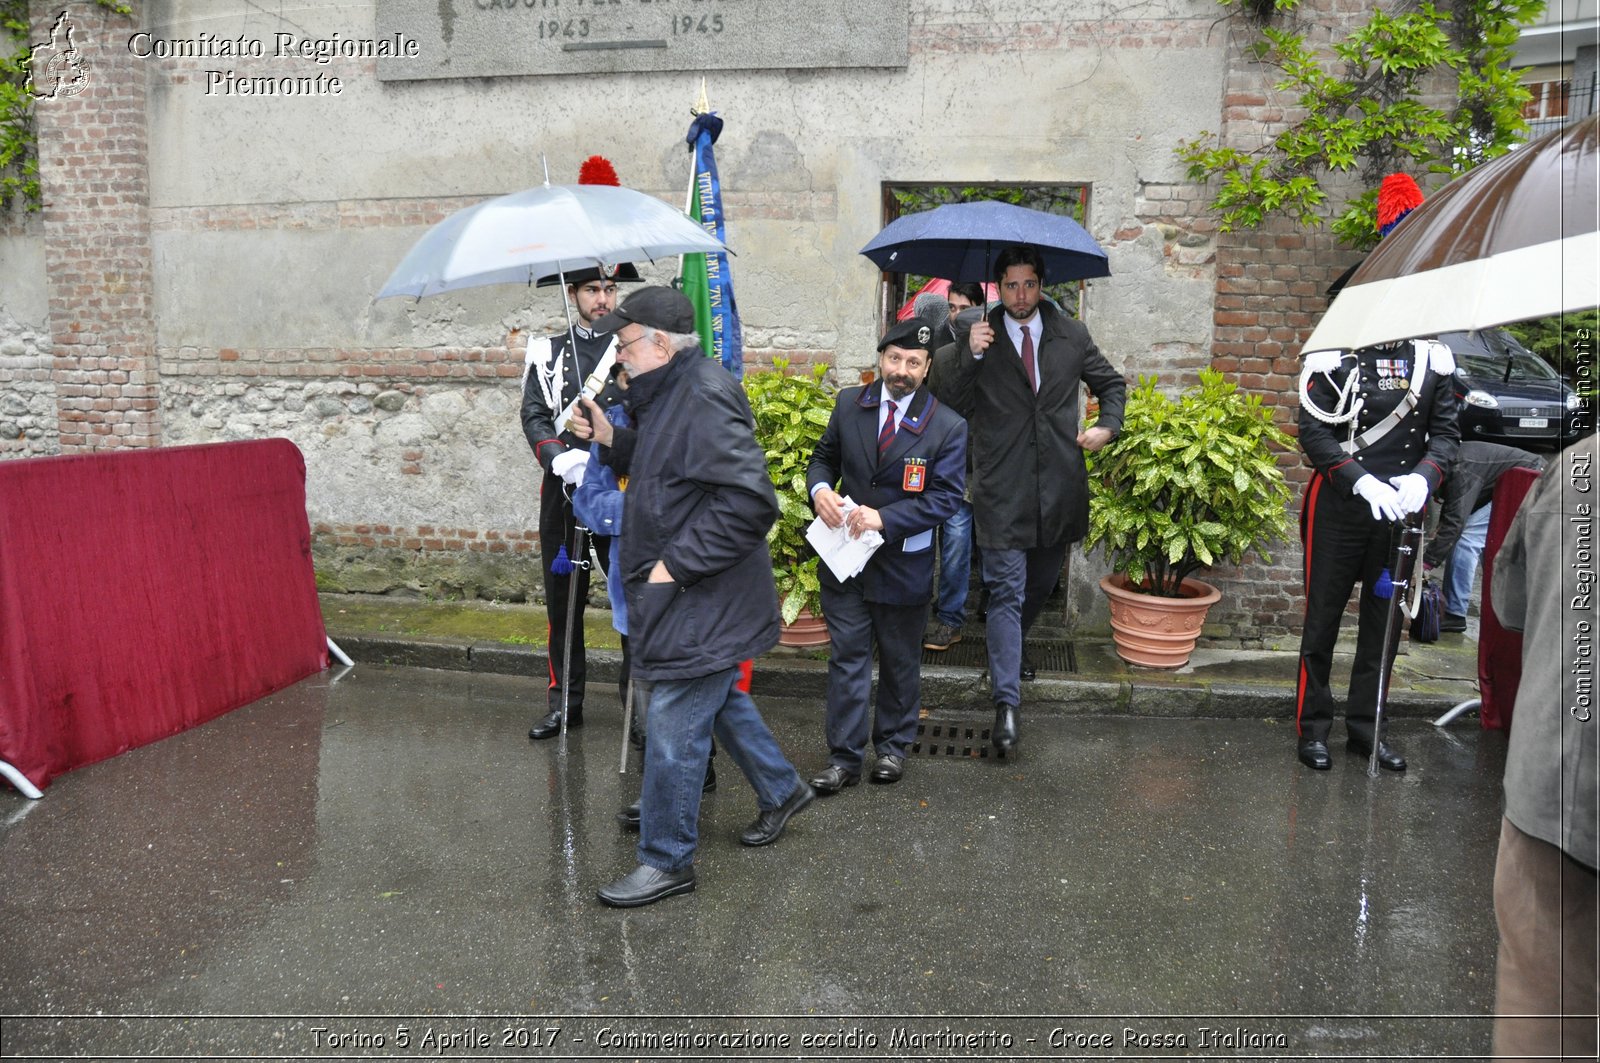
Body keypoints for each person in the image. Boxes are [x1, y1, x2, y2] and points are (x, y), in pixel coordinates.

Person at [572, 286, 813, 908]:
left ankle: (668, 858)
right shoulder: (669, 390)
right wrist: (611, 439)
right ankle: (781, 788)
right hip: (695, 593)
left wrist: (670, 570)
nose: (618, 356)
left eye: (625, 344)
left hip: (703, 594)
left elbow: (748, 503)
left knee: (675, 722)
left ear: (658, 342)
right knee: (716, 700)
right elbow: (670, 468)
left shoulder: (701, 394)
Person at [932, 246, 1127, 753]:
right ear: (998, 287)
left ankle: (1007, 652)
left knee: (1037, 587)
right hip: (1001, 486)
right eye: (1011, 285)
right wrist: (970, 353)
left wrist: (1107, 425)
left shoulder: (1072, 335)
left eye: (1029, 284)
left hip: (1058, 485)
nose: (1020, 295)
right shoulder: (977, 334)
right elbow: (947, 400)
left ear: (1041, 285)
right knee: (1006, 591)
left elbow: (1110, 383)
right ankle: (1006, 705)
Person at [805, 318, 967, 791]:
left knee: (899, 662)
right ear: (880, 360)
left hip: (903, 564)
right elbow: (823, 458)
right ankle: (844, 758)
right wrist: (819, 490)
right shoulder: (848, 405)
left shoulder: (947, 425)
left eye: (913, 362)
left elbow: (946, 498)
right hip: (846, 561)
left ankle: (893, 748)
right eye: (894, 359)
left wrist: (886, 519)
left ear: (927, 367)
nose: (902, 370)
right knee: (848, 658)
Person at [1294, 337, 1459, 772]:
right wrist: (1361, 480)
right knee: (1321, 622)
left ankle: (1368, 731)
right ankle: (1312, 730)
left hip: (1399, 509)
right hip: (1340, 505)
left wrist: (1426, 476)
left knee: (1383, 628)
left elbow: (1445, 434)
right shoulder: (1335, 356)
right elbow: (1313, 431)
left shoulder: (1431, 359)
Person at [1489, 433, 1597, 1060]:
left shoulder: (1581, 464)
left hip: (1556, 788)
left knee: (1546, 1005)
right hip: (1557, 796)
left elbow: (1512, 603)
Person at [569, 379, 719, 826]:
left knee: (680, 694)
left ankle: (676, 788)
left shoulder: (690, 427)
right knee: (639, 693)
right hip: (631, 588)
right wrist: (636, 506)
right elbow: (588, 501)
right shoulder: (609, 427)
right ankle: (673, 775)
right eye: (627, 378)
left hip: (684, 583)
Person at [519, 264, 638, 741]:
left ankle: (638, 708)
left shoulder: (631, 350)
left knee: (632, 599)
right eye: (593, 289)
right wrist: (558, 459)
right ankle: (565, 703)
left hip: (615, 486)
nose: (603, 298)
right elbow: (533, 415)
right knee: (562, 602)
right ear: (573, 293)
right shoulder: (548, 353)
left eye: (610, 289)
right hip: (565, 489)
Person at [1422, 441, 1544, 633]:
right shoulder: (1451, 459)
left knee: (1466, 539)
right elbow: (1457, 502)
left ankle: (1455, 613)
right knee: (1490, 545)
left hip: (1530, 479)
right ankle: (1502, 610)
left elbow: (1456, 519)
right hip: (1527, 478)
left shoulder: (1463, 469)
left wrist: (1427, 563)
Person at [923, 280, 985, 652]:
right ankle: (949, 617)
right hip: (959, 464)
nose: (957, 315)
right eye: (953, 308)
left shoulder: (1008, 353)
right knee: (957, 541)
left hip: (998, 465)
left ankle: (997, 611)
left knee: (997, 549)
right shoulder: (944, 356)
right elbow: (934, 408)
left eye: (965, 308)